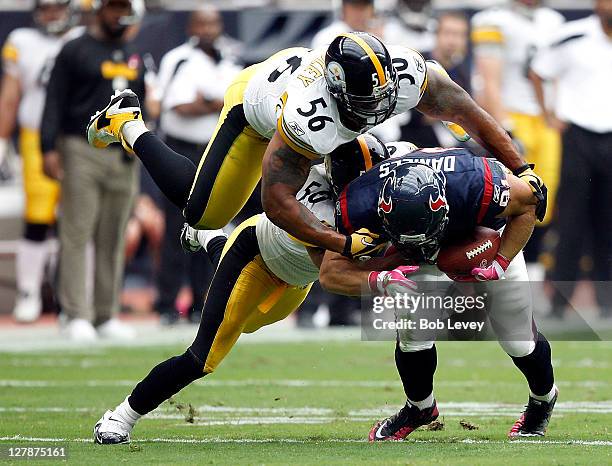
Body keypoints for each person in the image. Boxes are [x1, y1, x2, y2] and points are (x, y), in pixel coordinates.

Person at [87, 32, 547, 263]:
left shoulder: (407, 73)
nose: (382, 107)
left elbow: (470, 115)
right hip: (257, 111)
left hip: (331, 132)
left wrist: (521, 167)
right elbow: (276, 199)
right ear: (339, 91)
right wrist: (342, 242)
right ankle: (128, 124)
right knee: (202, 212)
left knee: (363, 180)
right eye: (369, 102)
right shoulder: (310, 116)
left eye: (385, 95)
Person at [91, 134, 415, 444]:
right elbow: (333, 274)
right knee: (204, 356)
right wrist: (390, 272)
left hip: (295, 281)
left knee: (247, 323)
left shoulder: (397, 159)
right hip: (256, 258)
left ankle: (209, 237)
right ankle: (120, 416)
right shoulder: (315, 200)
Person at [321, 142, 557, 440]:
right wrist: (382, 281)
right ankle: (419, 408)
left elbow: (529, 203)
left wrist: (500, 261)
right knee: (413, 332)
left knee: (517, 337)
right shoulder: (358, 202)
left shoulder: (476, 183)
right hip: (407, 258)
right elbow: (330, 273)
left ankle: (543, 399)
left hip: (484, 240)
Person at [41, 0, 146, 340]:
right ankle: (75, 314)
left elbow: (140, 107)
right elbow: (54, 99)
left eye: (124, 8)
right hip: (80, 148)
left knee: (113, 236)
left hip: (122, 153)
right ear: (99, 9)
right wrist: (47, 147)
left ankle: (105, 313)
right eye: (114, 7)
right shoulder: (74, 49)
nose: (120, 14)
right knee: (77, 231)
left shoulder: (132, 53)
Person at [152, 6, 241, 324]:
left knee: (209, 224)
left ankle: (200, 302)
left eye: (213, 23)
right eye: (201, 23)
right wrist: (212, 104)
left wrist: (209, 102)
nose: (207, 29)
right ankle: (166, 303)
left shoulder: (229, 60)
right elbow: (177, 105)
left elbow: (237, 105)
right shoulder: (179, 59)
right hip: (180, 149)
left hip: (213, 150)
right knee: (175, 227)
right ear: (191, 26)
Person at [530, 0, 612, 319]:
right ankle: (558, 303)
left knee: (608, 223)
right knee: (571, 222)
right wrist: (548, 113)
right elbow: (538, 71)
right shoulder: (573, 36)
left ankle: (607, 304)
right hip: (578, 135)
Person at [471, 0, 564, 261]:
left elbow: (555, 76)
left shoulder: (553, 20)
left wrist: (554, 113)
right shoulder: (493, 19)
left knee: (545, 199)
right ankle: (500, 265)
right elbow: (489, 80)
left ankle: (533, 266)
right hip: (511, 115)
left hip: (543, 121)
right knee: (510, 197)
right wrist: (506, 129)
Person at [0, 0, 74, 323]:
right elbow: (10, 94)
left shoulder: (82, 38)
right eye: (46, 7)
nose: (52, 13)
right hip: (35, 136)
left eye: (58, 6)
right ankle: (28, 291)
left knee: (77, 218)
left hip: (76, 136)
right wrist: (2, 140)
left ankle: (71, 296)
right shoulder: (23, 42)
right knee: (38, 215)